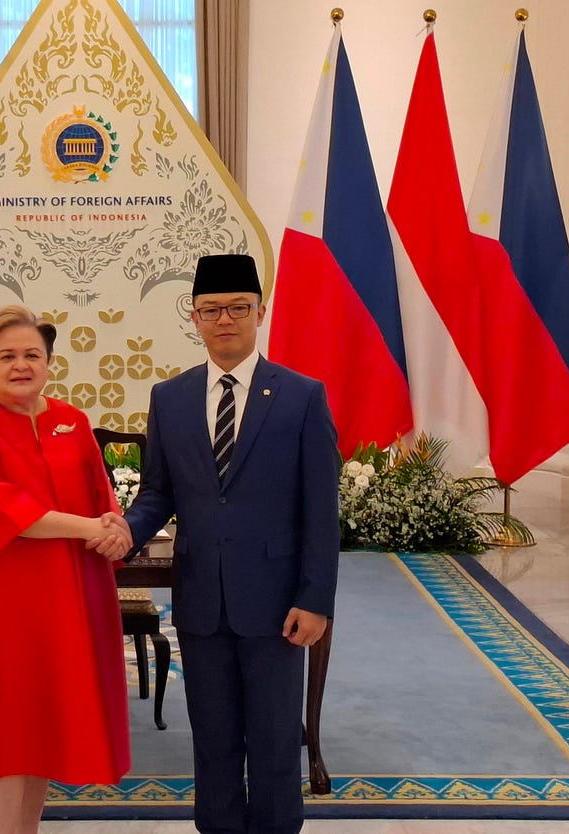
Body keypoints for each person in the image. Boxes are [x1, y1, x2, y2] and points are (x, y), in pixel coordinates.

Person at [119, 253, 340, 834]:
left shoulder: (301, 397)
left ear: (260, 312)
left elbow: (321, 511)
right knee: (213, 740)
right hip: (202, 602)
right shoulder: (170, 398)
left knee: (272, 742)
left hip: (277, 605)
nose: (225, 319)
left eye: (238, 307)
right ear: (193, 317)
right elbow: (157, 495)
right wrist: (121, 532)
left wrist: (315, 599)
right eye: (211, 309)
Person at [0, 304, 133, 834]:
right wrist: (91, 528)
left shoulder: (73, 419)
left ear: (48, 362)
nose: (21, 365)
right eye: (7, 356)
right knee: (8, 724)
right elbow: (7, 511)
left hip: (73, 593)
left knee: (45, 719)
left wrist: (115, 528)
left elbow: (101, 495)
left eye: (32, 355)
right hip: (4, 599)